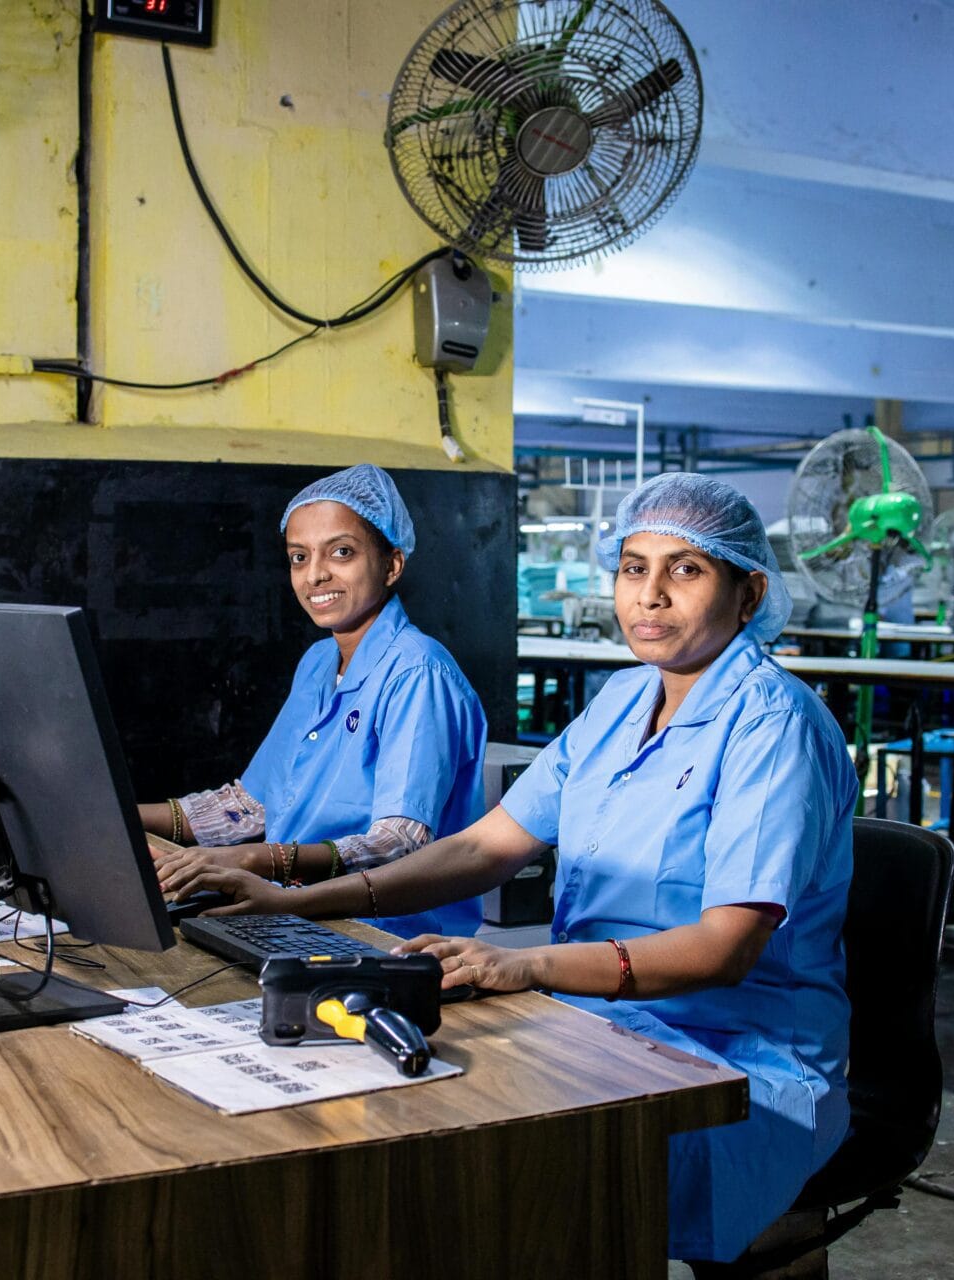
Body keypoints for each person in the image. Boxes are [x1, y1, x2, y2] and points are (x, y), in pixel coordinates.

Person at [164, 472, 856, 1271]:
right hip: (604, 1024)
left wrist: (522, 963)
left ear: (750, 591)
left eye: (686, 570)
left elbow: (722, 950)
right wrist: (299, 901)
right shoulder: (620, 704)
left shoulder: (774, 727)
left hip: (736, 1062)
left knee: (490, 1176)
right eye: (634, 568)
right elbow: (482, 848)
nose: (651, 596)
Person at [141, 464, 488, 939]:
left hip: (387, 936)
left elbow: (399, 843)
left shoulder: (417, 672)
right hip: (294, 914)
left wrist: (256, 859)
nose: (316, 575)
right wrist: (114, 814)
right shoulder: (318, 662)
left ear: (392, 564)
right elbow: (250, 808)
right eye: (298, 557)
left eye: (341, 552)